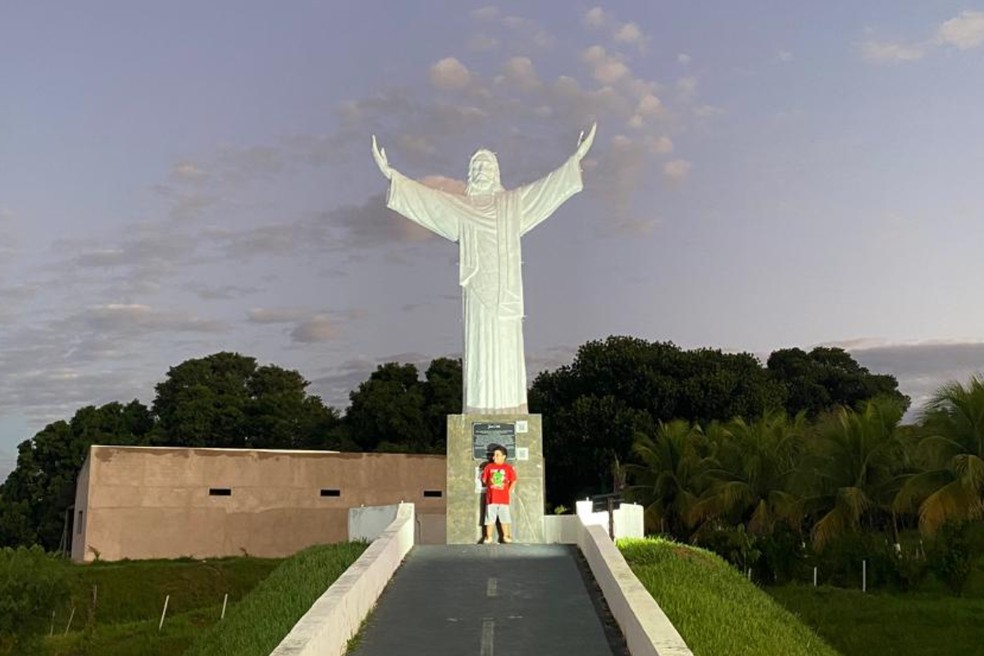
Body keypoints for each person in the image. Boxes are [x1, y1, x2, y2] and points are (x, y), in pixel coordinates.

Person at [370, 124, 596, 414]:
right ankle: (479, 409)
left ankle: (511, 409)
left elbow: (546, 189)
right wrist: (393, 175)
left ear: (497, 171)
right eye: (476, 165)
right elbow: (431, 201)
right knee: (480, 352)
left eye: (487, 164)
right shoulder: (461, 208)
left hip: (506, 298)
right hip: (478, 296)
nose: (481, 169)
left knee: (506, 350)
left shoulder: (512, 204)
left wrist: (573, 160)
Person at [481, 445, 518, 543]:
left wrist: (508, 491)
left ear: (504, 456)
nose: (494, 457)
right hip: (491, 498)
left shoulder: (508, 468)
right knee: (490, 519)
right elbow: (484, 480)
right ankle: (488, 537)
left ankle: (506, 536)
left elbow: (514, 480)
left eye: (497, 455)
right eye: (494, 455)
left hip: (503, 499)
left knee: (505, 518)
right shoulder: (489, 467)